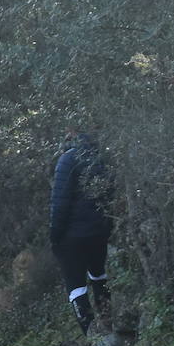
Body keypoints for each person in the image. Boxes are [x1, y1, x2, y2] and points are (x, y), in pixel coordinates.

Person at [49, 131, 116, 335]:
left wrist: (55, 236)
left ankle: (91, 334)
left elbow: (60, 203)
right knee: (98, 275)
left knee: (76, 285)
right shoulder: (101, 159)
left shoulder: (67, 160)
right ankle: (109, 322)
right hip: (99, 231)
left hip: (72, 236)